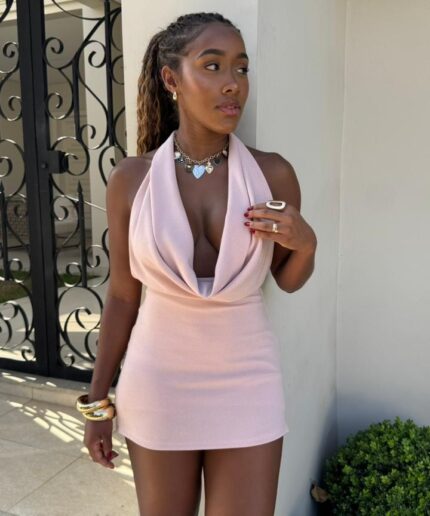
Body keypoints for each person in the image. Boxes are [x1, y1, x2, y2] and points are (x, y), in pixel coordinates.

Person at [80, 11, 317, 516]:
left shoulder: (273, 173)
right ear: (172, 79)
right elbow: (122, 295)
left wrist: (306, 243)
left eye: (241, 68)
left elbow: (289, 281)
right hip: (158, 381)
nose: (233, 84)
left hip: (248, 381)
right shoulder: (131, 180)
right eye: (213, 66)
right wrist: (98, 402)